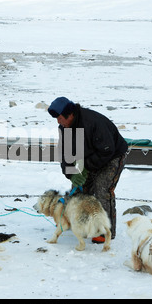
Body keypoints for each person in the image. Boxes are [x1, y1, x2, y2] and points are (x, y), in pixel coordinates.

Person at [48, 97, 128, 240]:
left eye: (59, 118)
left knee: (102, 189)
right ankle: (80, 222)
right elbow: (65, 155)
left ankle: (104, 232)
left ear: (70, 114)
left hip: (112, 156)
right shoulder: (65, 128)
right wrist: (72, 174)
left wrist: (85, 168)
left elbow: (106, 150)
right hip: (87, 158)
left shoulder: (92, 122)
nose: (58, 122)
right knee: (79, 189)